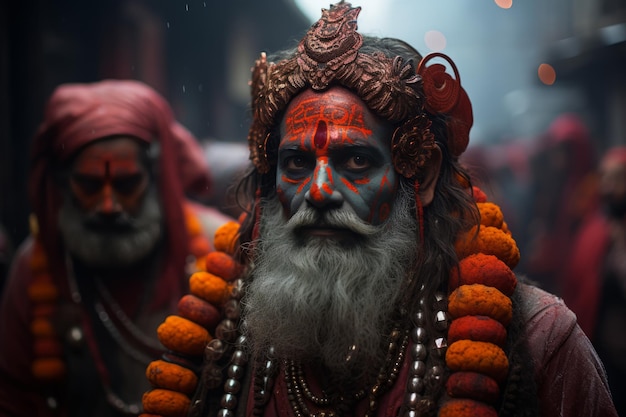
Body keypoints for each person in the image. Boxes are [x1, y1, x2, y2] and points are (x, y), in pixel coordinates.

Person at [139, 3, 617, 417]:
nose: (320, 191)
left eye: (358, 161)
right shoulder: (218, 336)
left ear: (422, 176)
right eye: (297, 163)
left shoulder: (540, 344)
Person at [0, 79, 234, 416]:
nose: (109, 205)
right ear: (64, 182)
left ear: (155, 176)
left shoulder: (218, 249)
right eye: (90, 184)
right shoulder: (36, 265)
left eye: (126, 184)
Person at [562, 146, 626, 415]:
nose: (609, 187)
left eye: (618, 178)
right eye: (605, 177)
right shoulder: (595, 230)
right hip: (603, 354)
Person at [519, 113, 599, 295]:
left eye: (564, 150)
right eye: (555, 151)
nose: (558, 158)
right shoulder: (559, 183)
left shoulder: (589, 186)